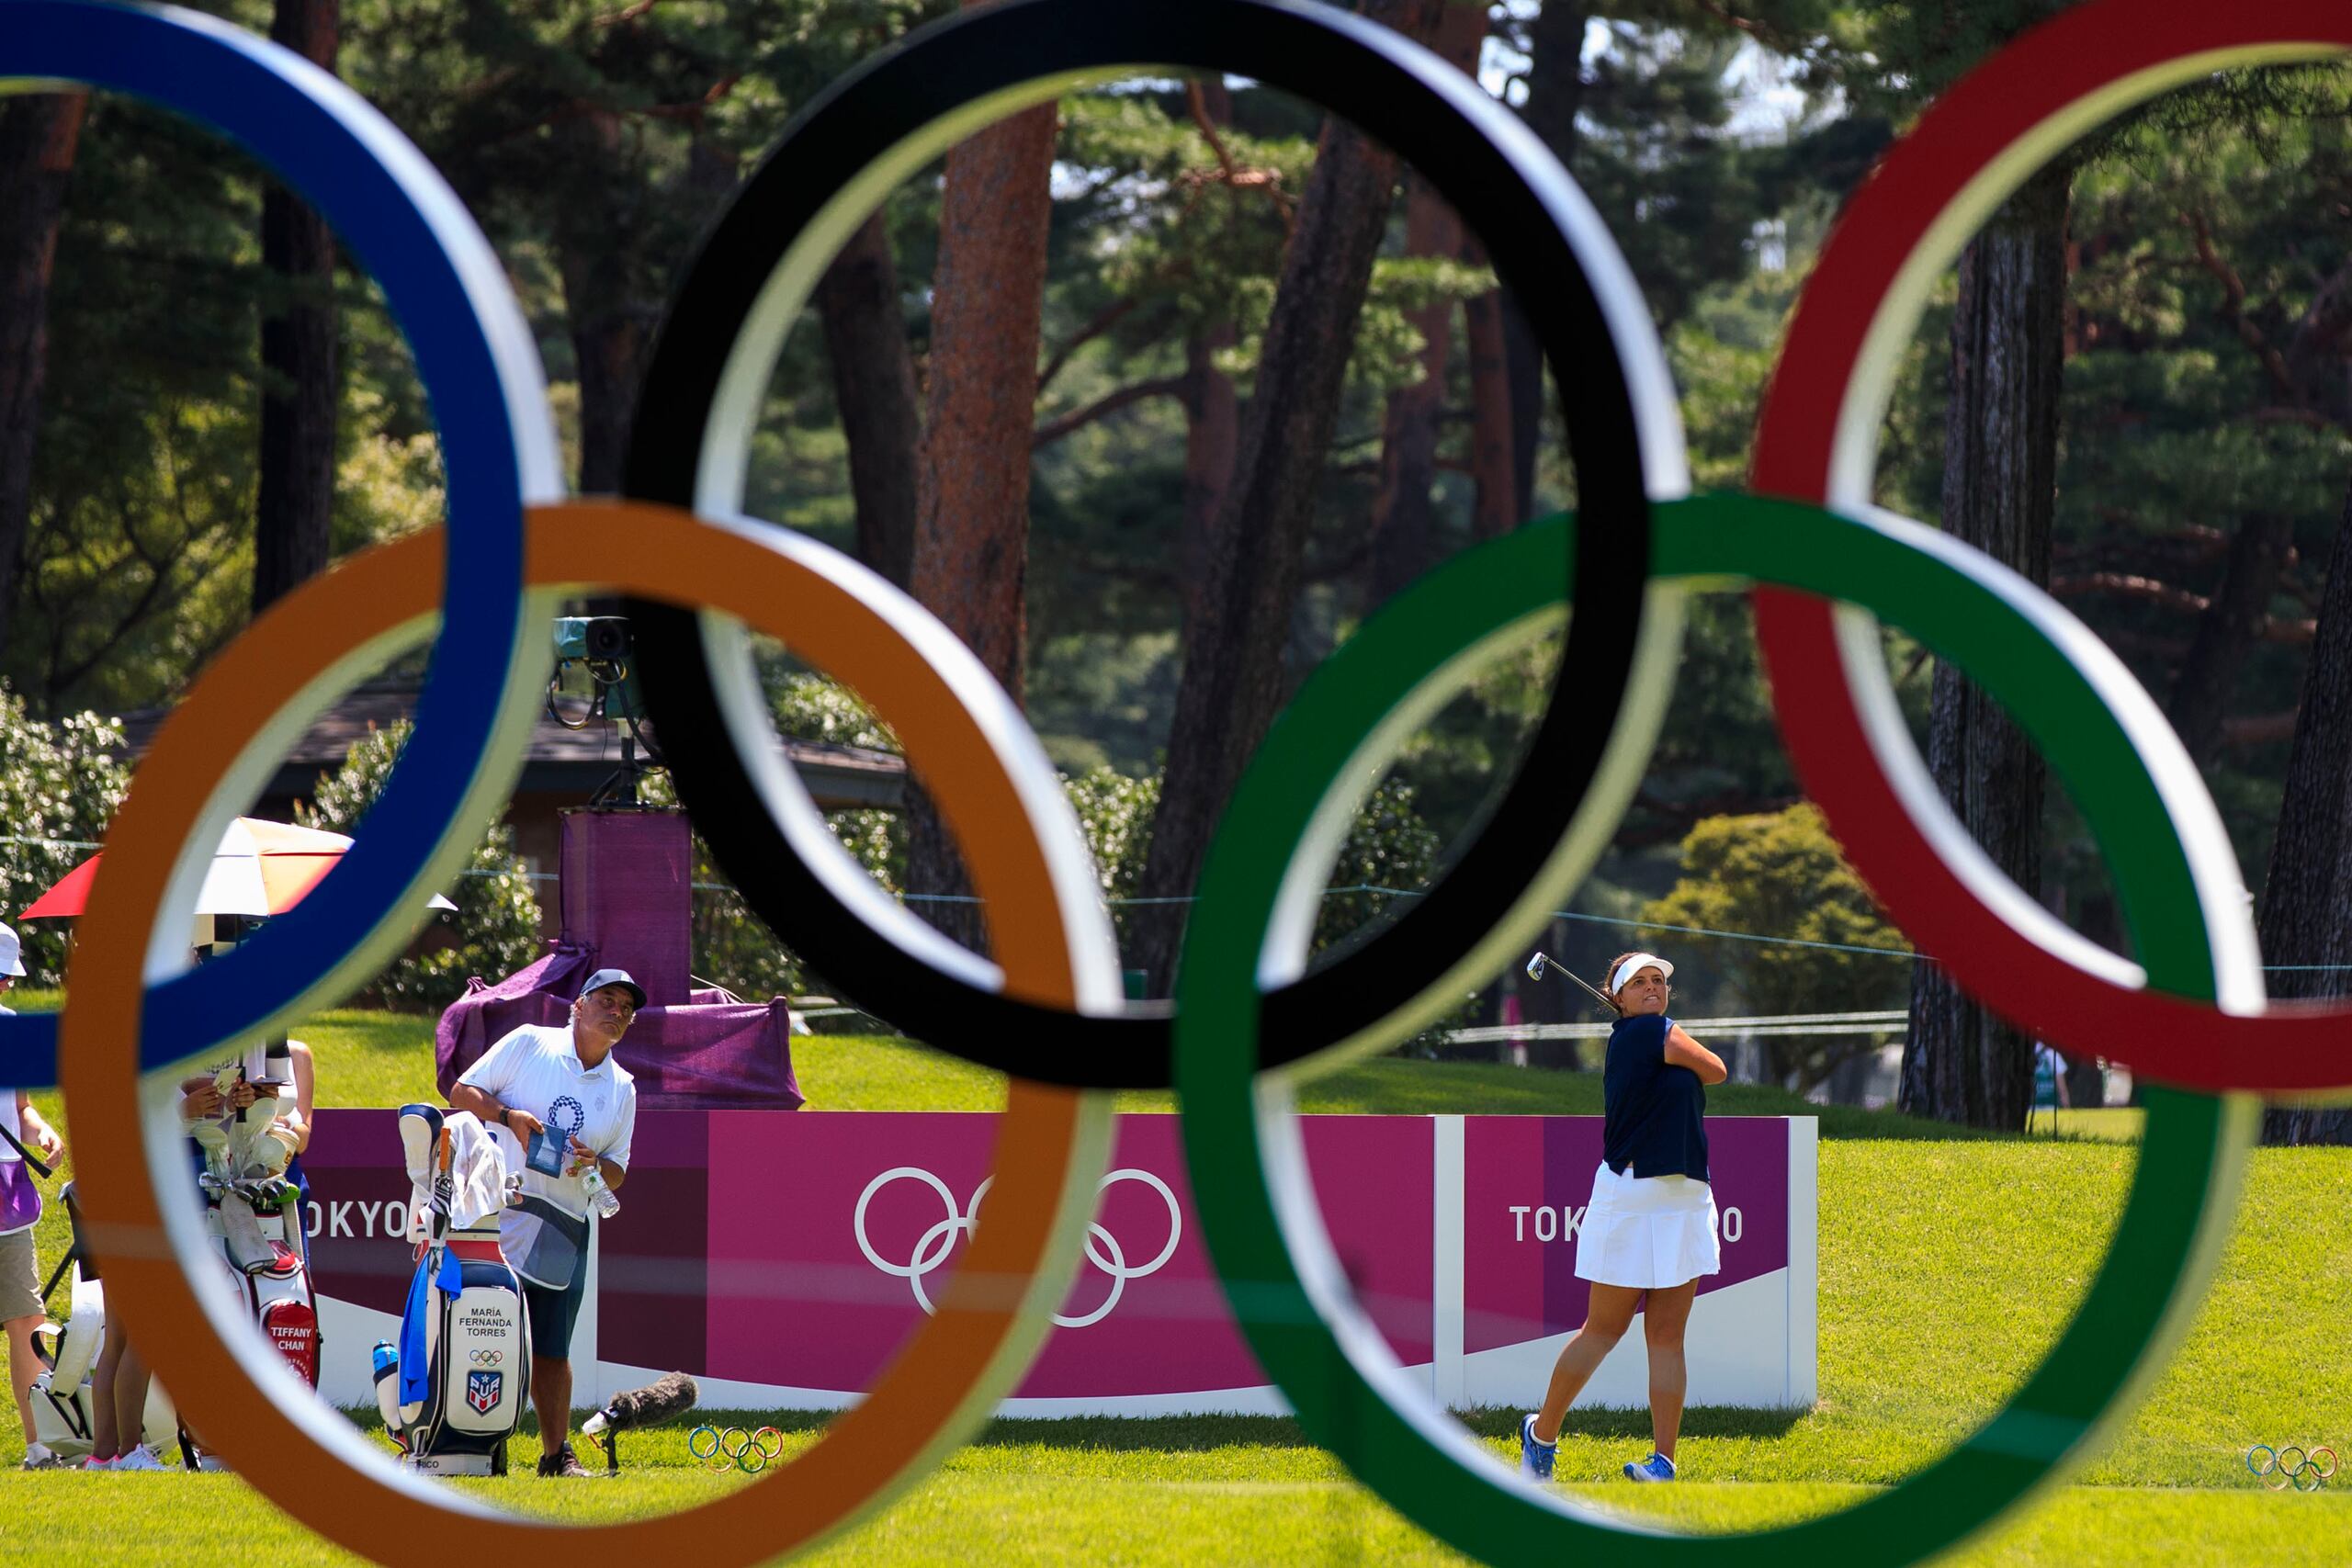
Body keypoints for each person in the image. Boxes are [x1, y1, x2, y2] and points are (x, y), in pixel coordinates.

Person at [1519, 951, 1726, 1485]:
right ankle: (1541, 1435)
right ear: (1617, 997)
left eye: (1659, 980)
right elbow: (1717, 1070)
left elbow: (1702, 1074)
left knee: (1666, 1337)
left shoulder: (1653, 1034)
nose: (1653, 987)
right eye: (1639, 982)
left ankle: (1663, 1463)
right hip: (1632, 1196)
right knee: (1603, 1331)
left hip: (1683, 1196)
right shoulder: (1645, 1033)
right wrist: (1666, 1029)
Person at [448, 968, 642, 1479]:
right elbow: (461, 1092)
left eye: (626, 1006)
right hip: (496, 1214)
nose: (616, 1011)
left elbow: (618, 1171)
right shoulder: (530, 1042)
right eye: (606, 999)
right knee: (483, 1331)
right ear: (578, 1005)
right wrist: (508, 1115)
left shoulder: (622, 1086)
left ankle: (556, 1456)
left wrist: (592, 1165)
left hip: (563, 1225)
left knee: (553, 1350)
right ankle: (475, 1442)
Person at [0, 922, 70, 1469]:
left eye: (7, 977)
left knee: (25, 1318)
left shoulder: (10, 1028)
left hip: (7, 1194)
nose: (4, 987)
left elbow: (20, 1107)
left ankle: (39, 1445)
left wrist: (42, 1128)